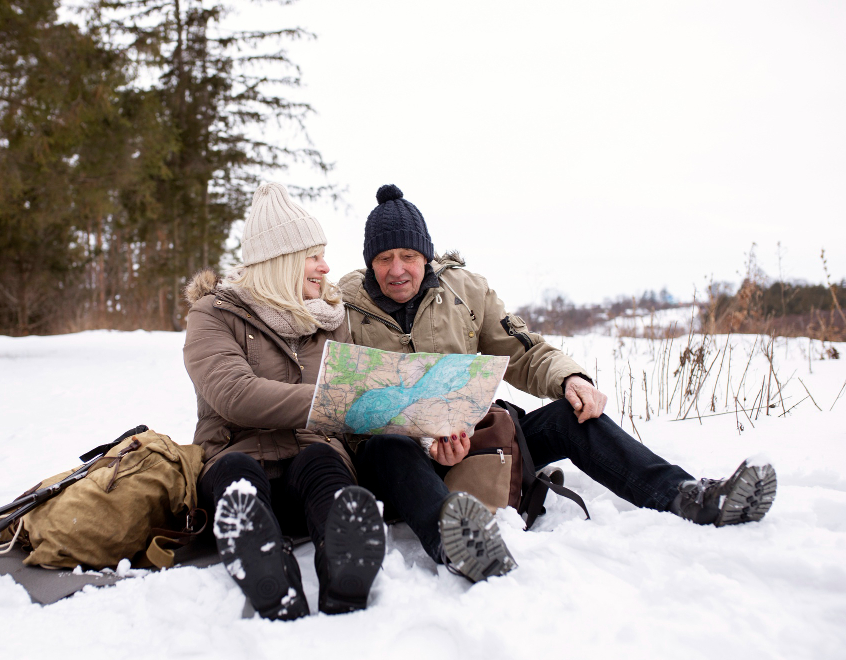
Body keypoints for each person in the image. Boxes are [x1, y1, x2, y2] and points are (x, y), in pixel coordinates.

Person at [339, 184, 778, 582]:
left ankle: (687, 496)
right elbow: (340, 403)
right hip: (396, 459)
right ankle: (457, 546)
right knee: (386, 447)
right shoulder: (343, 307)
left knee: (571, 415)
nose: (397, 269)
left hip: (469, 434)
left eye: (408, 256)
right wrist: (421, 441)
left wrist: (570, 378)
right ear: (369, 262)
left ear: (426, 256)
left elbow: (524, 350)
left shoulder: (465, 291)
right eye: (383, 258)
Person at [184, 182, 386, 620]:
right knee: (237, 474)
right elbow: (236, 395)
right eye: (313, 256)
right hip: (235, 454)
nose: (325, 267)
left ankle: (343, 564)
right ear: (281, 262)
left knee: (324, 468)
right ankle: (267, 563)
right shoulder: (212, 316)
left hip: (311, 455)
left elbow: (356, 402)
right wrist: (332, 400)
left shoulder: (331, 320)